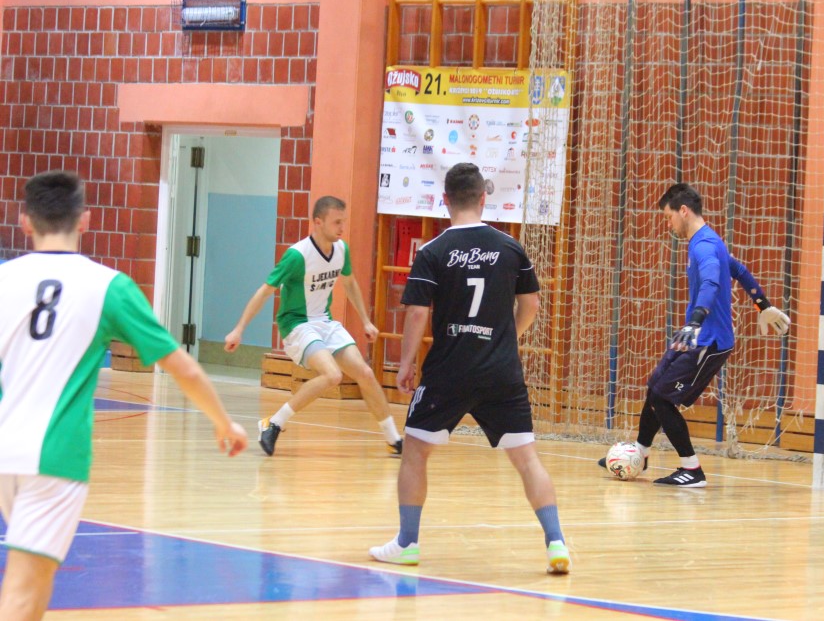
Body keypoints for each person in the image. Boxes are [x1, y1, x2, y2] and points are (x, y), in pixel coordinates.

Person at [0, 171, 248, 621]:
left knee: (36, 581)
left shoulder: (5, 278)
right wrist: (222, 422)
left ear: (25, 221)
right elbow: (184, 367)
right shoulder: (107, 286)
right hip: (54, 455)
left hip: (5, 451)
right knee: (21, 589)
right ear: (86, 219)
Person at [368, 163, 570, 574]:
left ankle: (407, 543)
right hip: (501, 371)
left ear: (445, 200)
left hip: (449, 370)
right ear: (482, 197)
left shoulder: (433, 251)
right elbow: (531, 304)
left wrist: (405, 363)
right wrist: (505, 339)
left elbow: (417, 313)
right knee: (527, 459)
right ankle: (556, 544)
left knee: (415, 451)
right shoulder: (510, 247)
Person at [598, 183, 791, 487]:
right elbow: (739, 270)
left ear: (684, 211)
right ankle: (640, 454)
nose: (668, 224)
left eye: (669, 217)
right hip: (695, 336)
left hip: (709, 341)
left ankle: (692, 470)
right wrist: (763, 305)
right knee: (655, 387)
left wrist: (696, 320)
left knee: (663, 398)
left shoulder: (703, 246)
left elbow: (712, 283)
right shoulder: (707, 240)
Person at [225, 195, 402, 457]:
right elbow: (265, 291)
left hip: (324, 322)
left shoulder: (341, 250)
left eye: (343, 221)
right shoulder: (297, 256)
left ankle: (393, 439)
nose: (342, 228)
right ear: (318, 222)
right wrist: (239, 329)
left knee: (365, 373)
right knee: (333, 375)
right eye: (336, 222)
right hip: (296, 324)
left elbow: (350, 283)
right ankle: (274, 423)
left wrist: (365, 320)